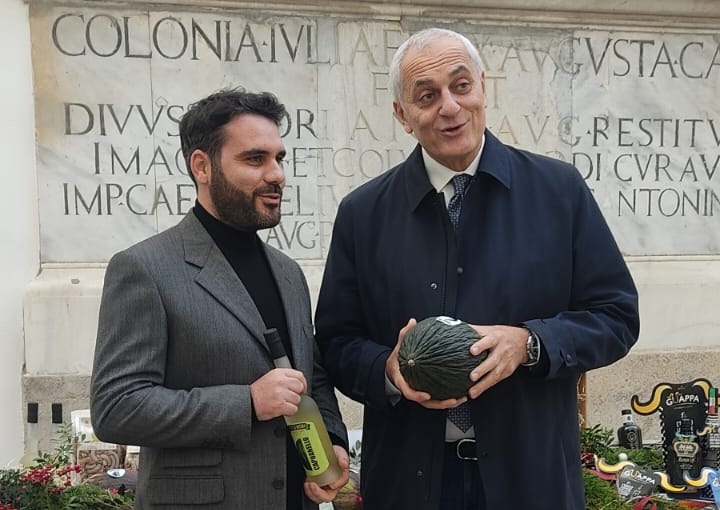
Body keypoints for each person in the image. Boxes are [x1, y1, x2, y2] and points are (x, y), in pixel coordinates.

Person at [314, 27, 639, 510]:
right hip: (409, 485)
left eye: (461, 85)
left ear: (483, 88)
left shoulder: (559, 192)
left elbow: (616, 317)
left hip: (530, 482)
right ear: (402, 115)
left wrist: (529, 344)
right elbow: (336, 342)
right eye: (427, 95)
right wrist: (387, 369)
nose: (449, 107)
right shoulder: (363, 214)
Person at [90, 88, 349, 510]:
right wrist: (247, 403)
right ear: (202, 166)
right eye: (255, 159)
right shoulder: (144, 268)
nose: (277, 175)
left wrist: (332, 440)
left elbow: (311, 377)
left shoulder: (289, 273)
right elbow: (116, 407)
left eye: (279, 158)